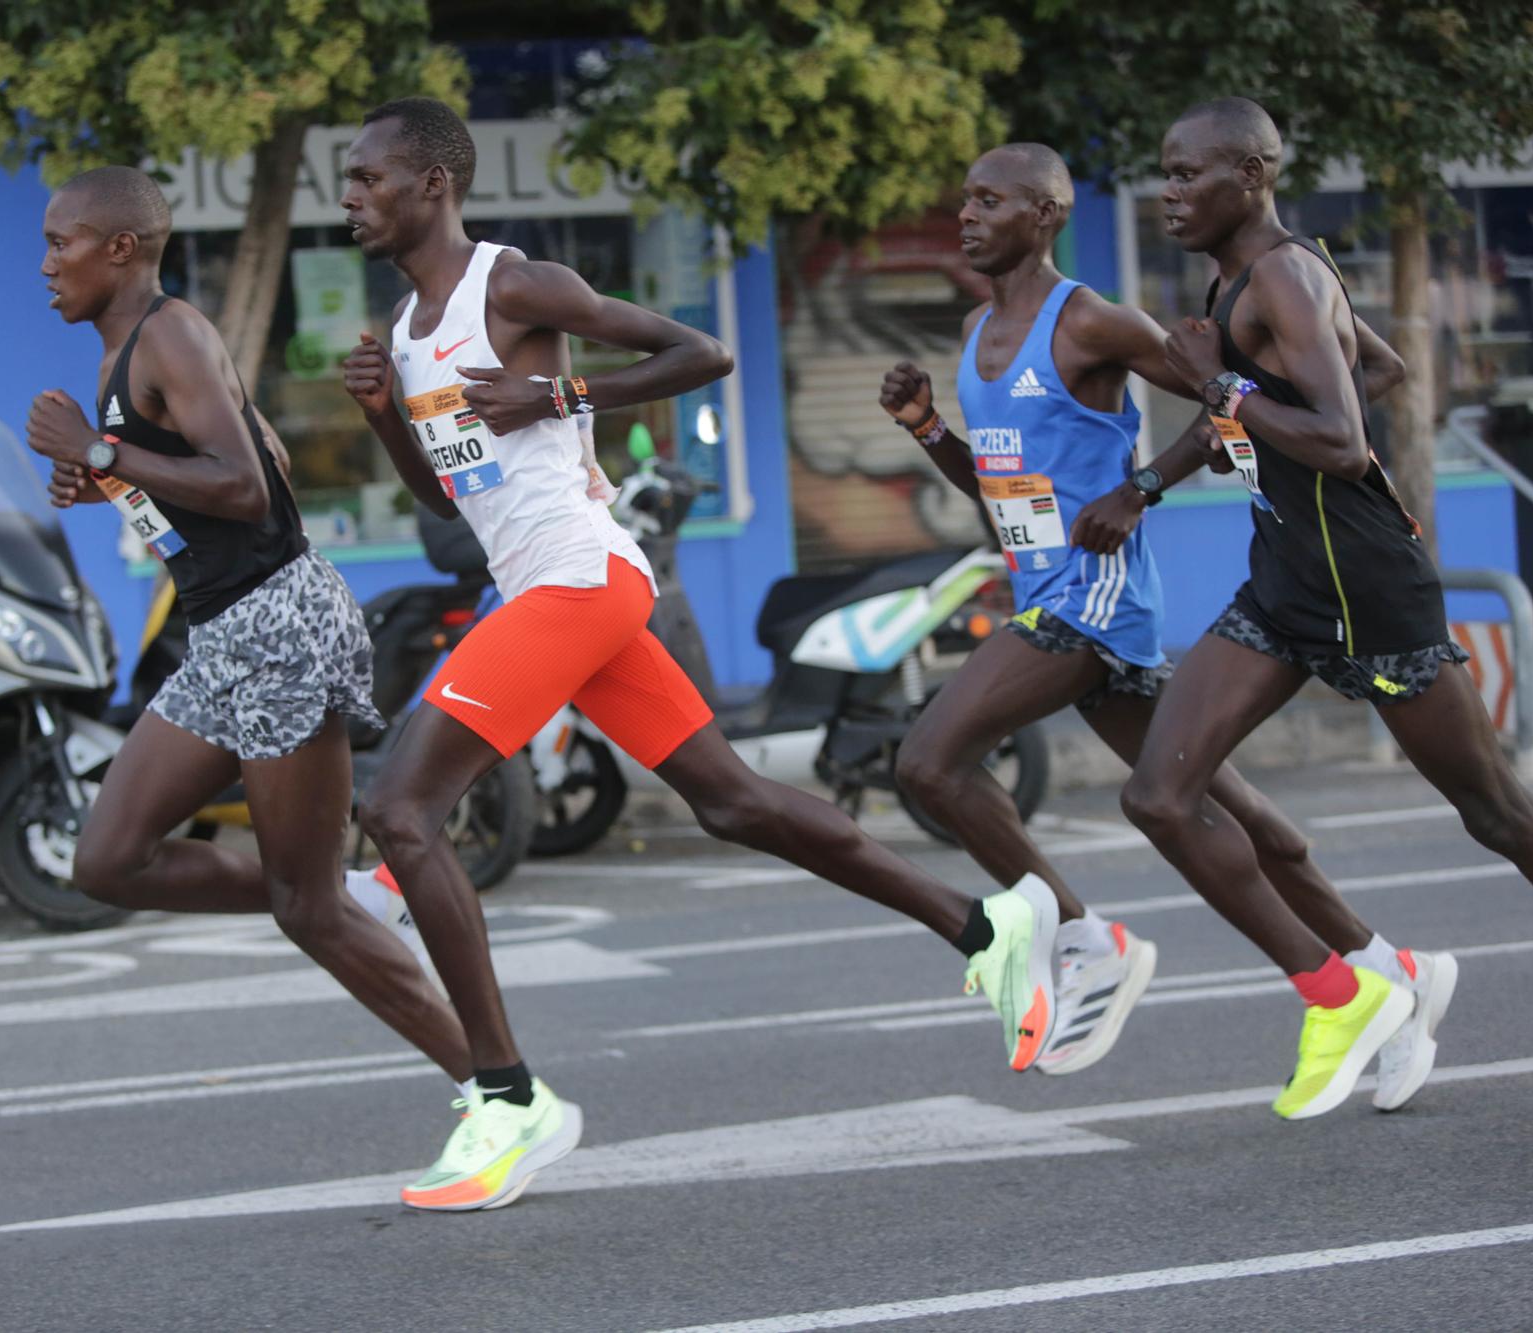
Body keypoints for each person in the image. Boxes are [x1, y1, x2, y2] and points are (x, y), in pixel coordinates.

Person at [342, 97, 1069, 1214]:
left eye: (366, 179)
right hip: (545, 589)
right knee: (731, 804)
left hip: (580, 578)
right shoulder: (405, 328)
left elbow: (703, 352)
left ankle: (506, 1095)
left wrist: (565, 391)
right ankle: (982, 922)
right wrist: (387, 415)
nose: (350, 199)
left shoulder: (514, 284)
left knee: (400, 807)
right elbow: (445, 496)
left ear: (431, 184)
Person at [879, 143, 1451, 1112]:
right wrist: (929, 429)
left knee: (927, 763)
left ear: (1045, 215)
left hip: (1093, 595)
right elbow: (1003, 492)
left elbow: (1245, 402)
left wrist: (1141, 488)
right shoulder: (979, 329)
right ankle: (1380, 963)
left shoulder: (1094, 319)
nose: (966, 217)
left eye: (988, 201)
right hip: (1040, 582)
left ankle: (1084, 938)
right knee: (1233, 818)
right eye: (962, 199)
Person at [1121, 97, 1533, 1117]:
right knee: (1157, 795)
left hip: (1367, 587)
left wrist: (1219, 385)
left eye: (1187, 176)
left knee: (1494, 813)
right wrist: (1153, 476)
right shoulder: (1237, 277)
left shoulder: (1282, 273)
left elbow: (1343, 442)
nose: (1167, 194)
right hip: (1284, 580)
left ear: (1251, 175)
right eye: (1163, 174)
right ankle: (1344, 986)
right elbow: (1381, 370)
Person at [23, 165, 475, 1105]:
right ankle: (336, 890)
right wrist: (104, 477)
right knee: (106, 860)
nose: (46, 265)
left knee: (302, 911)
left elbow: (245, 487)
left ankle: (500, 1092)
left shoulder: (172, 334)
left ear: (120, 248)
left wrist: (101, 453)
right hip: (223, 629)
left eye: (61, 244)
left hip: (277, 621)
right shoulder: (128, 354)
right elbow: (244, 460)